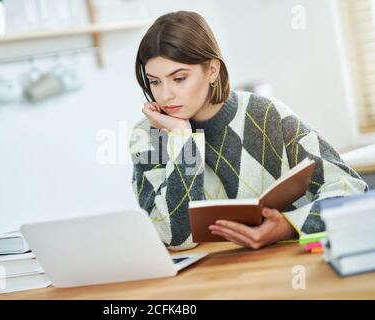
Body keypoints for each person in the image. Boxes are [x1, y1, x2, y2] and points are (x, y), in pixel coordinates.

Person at [129, 11, 368, 251]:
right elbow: (175, 238)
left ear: (212, 70)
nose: (165, 95)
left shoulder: (266, 114)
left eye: (179, 78)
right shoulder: (149, 136)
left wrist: (287, 225)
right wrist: (182, 140)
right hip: (206, 282)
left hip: (280, 269)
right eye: (155, 82)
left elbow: (349, 187)